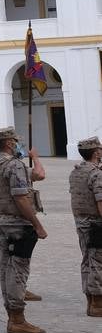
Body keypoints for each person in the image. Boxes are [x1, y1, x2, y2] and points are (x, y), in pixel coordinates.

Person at [0, 126, 49, 333]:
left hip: (2, 223)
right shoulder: (14, 166)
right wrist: (38, 225)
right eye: (16, 140)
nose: (18, 144)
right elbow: (21, 198)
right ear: (10, 143)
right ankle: (17, 319)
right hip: (18, 226)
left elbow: (38, 175)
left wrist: (34, 159)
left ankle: (13, 316)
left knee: (6, 270)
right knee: (18, 271)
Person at [68, 136, 102, 317]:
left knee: (87, 260)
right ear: (96, 152)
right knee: (98, 262)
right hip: (96, 224)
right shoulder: (96, 173)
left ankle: (90, 300)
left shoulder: (76, 172)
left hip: (81, 222)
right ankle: (98, 303)